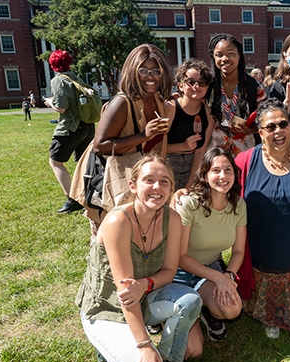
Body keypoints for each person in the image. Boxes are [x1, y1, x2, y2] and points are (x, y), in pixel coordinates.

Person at [75, 154, 202, 362]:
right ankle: (106, 343)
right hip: (105, 307)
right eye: (149, 180)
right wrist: (144, 345)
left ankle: (168, 358)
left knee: (191, 300)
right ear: (133, 186)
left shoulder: (171, 218)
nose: (157, 187)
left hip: (143, 297)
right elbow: (126, 295)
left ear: (171, 188)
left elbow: (169, 270)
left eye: (165, 181)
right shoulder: (118, 222)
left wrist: (145, 284)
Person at [235, 98, 290, 338]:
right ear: (260, 132)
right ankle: (268, 313)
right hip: (260, 259)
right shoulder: (244, 162)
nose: (278, 131)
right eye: (270, 127)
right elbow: (218, 187)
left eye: (283, 124)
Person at [89, 44, 174, 232]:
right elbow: (100, 146)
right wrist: (143, 135)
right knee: (115, 239)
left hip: (144, 185)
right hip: (119, 183)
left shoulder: (159, 100)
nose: (150, 76)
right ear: (132, 71)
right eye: (143, 70)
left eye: (155, 71)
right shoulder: (122, 102)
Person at [173, 147, 245, 343]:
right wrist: (218, 278)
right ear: (204, 175)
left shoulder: (238, 205)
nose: (223, 176)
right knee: (193, 351)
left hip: (210, 269)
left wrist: (228, 276)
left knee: (232, 310)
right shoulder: (188, 203)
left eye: (228, 169)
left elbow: (238, 252)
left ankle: (205, 309)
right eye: (216, 170)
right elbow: (180, 257)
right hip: (176, 273)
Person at [45, 49, 95, 214]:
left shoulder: (59, 80)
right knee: (83, 163)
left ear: (53, 65)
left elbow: (61, 107)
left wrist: (50, 102)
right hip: (87, 125)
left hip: (71, 127)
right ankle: (89, 195)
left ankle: (72, 199)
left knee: (55, 161)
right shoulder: (75, 77)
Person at [207, 34, 266, 156]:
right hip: (216, 156)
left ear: (239, 56)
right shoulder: (208, 87)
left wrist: (250, 130)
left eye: (230, 54)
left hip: (246, 155)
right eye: (219, 55)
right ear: (213, 57)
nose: (224, 59)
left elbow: (266, 118)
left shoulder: (253, 86)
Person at [163, 58, 215, 190]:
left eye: (202, 83)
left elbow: (200, 152)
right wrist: (182, 146)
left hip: (192, 169)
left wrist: (189, 186)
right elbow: (156, 148)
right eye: (190, 82)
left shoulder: (209, 114)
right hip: (166, 167)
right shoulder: (169, 108)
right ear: (180, 85)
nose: (196, 87)